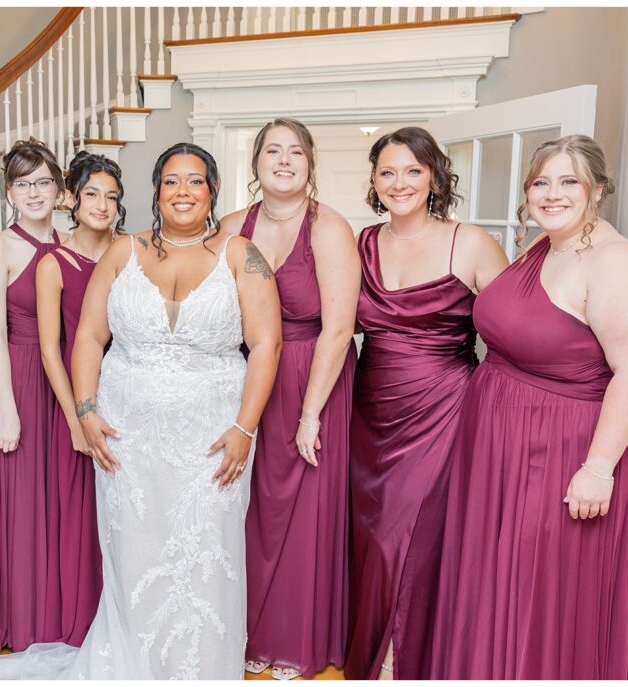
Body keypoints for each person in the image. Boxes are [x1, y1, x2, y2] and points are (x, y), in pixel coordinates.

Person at [0, 142, 281, 680]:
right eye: (171, 181)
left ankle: (202, 668)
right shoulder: (123, 252)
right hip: (130, 435)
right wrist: (84, 410)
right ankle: (134, 662)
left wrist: (246, 427)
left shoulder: (241, 254)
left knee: (208, 546)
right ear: (156, 191)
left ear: (213, 190)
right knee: (136, 549)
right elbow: (88, 336)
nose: (183, 192)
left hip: (212, 437)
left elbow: (267, 346)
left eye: (195, 181)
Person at [431, 134, 628, 679]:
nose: (551, 194)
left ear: (598, 190)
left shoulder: (618, 262)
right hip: (504, 440)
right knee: (501, 578)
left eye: (569, 182)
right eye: (541, 182)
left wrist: (599, 469)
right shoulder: (545, 247)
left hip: (567, 447)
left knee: (544, 586)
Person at [344, 127, 507, 680]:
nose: (400, 183)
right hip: (370, 412)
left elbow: (516, 330)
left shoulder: (472, 243)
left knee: (413, 537)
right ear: (373, 181)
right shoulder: (360, 244)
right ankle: (369, 653)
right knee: (369, 536)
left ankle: (405, 661)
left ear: (434, 176)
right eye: (387, 172)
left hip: (444, 410)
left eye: (413, 170)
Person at [220, 118, 359, 680]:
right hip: (248, 376)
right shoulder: (231, 227)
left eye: (294, 151)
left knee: (305, 511)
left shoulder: (329, 228)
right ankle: (241, 629)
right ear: (255, 163)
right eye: (272, 151)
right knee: (244, 509)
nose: (283, 160)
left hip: (313, 377)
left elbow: (339, 327)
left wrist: (310, 413)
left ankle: (296, 638)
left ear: (310, 163)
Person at [0, 138, 67, 651]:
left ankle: (61, 616)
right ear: (10, 192)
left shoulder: (72, 241)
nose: (34, 192)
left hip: (67, 383)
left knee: (63, 501)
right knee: (23, 503)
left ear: (59, 188)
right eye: (23, 184)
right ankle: (21, 620)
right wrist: (8, 411)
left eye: (43, 182)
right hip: (21, 383)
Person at [35, 150, 126, 645]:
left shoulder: (130, 251)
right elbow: (51, 349)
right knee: (81, 510)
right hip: (77, 396)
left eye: (111, 197)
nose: (102, 204)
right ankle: (83, 620)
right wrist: (74, 416)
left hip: (128, 393)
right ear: (71, 198)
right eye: (92, 193)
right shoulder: (54, 263)